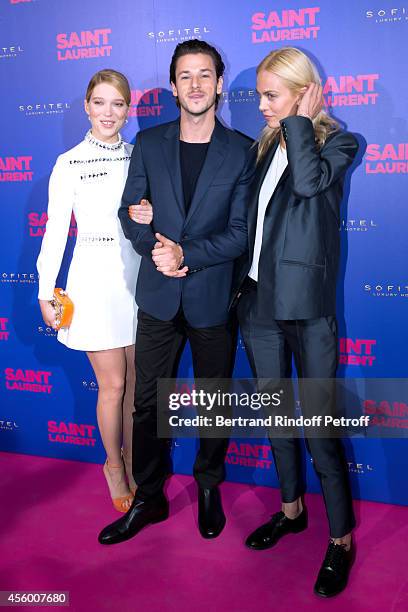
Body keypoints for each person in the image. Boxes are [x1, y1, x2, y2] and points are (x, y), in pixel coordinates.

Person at [98, 39, 254, 545]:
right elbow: (130, 212)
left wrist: (185, 254)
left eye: (204, 74)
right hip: (159, 298)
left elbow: (240, 233)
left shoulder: (241, 151)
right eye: (185, 75)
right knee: (147, 403)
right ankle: (149, 495)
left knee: (213, 400)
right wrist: (154, 247)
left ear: (219, 84)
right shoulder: (149, 143)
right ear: (173, 86)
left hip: (211, 297)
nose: (195, 84)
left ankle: (208, 486)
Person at [233, 47, 358, 597]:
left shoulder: (338, 143)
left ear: (303, 93)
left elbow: (309, 186)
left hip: (307, 311)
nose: (260, 105)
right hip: (258, 305)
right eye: (261, 94)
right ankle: (291, 510)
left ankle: (341, 541)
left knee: (321, 428)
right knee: (275, 415)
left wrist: (300, 123)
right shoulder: (264, 149)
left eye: (271, 95)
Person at [37, 69, 152, 513]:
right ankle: (113, 467)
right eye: (100, 102)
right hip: (93, 280)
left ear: (127, 109)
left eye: (118, 104)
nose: (109, 112)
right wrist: (45, 290)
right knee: (113, 384)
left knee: (139, 383)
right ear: (86, 106)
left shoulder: (138, 155)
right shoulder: (69, 162)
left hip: (138, 278)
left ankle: (138, 461)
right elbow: (53, 233)